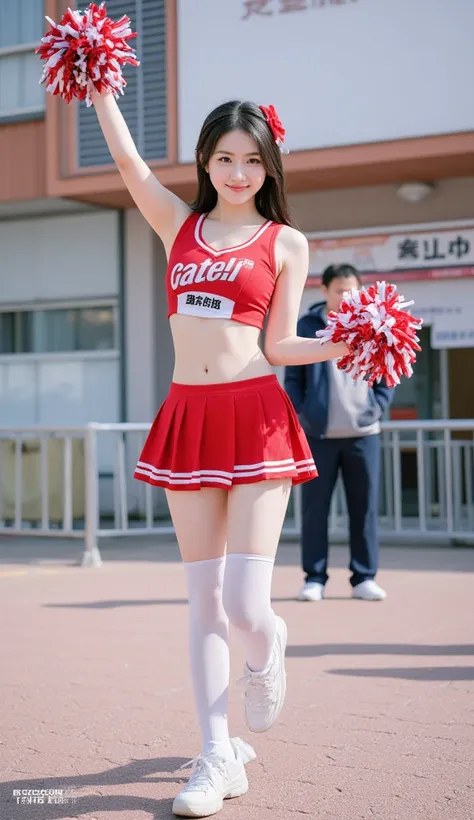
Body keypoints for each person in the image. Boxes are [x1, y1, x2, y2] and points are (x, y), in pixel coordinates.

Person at [90, 92, 349, 817]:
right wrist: (103, 90)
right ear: (206, 160)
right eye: (225, 158)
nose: (238, 172)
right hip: (189, 416)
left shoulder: (284, 242)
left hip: (258, 418)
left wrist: (340, 343)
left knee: (244, 601)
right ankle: (215, 755)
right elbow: (127, 163)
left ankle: (268, 651)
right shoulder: (180, 224)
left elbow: (280, 345)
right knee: (202, 599)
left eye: (252, 160)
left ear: (270, 167)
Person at [284, 264, 395, 605]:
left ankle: (364, 577)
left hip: (364, 433)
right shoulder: (307, 325)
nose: (346, 296)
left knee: (364, 509)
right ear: (325, 291)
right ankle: (314, 578)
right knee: (315, 510)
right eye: (339, 290)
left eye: (352, 290)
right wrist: (303, 412)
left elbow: (388, 370)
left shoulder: (375, 323)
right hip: (318, 434)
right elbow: (293, 376)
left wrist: (377, 406)